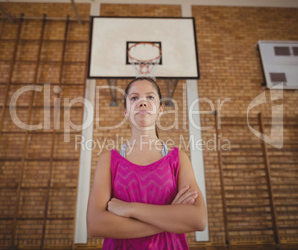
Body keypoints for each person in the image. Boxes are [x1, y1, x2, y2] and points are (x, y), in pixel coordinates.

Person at [86, 77, 207, 249]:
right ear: (125, 111)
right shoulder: (108, 161)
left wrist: (130, 209)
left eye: (150, 97)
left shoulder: (179, 158)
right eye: (134, 98)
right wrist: (170, 217)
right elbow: (95, 224)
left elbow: (199, 219)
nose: (142, 103)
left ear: (160, 110)